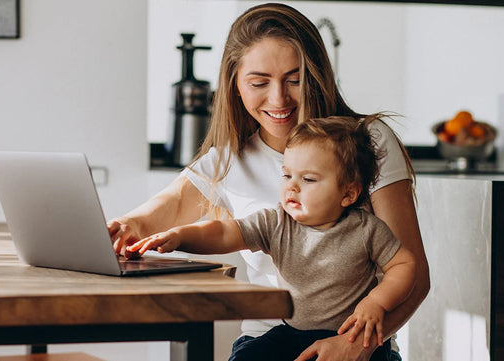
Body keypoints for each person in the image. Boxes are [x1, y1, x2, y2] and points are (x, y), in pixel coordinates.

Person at [108, 3, 430, 360]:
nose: (279, 98)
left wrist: (355, 346)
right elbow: (152, 217)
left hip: (359, 343)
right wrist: (126, 225)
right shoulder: (228, 160)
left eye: (295, 80)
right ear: (235, 85)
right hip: (271, 339)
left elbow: (413, 274)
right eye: (259, 82)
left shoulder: (367, 142)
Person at [127, 115, 416, 361]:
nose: (292, 188)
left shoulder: (366, 229)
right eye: (287, 175)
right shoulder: (276, 222)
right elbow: (225, 231)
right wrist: (180, 236)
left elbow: (404, 266)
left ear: (348, 193)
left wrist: (377, 302)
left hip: (352, 335)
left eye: (309, 179)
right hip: (292, 331)